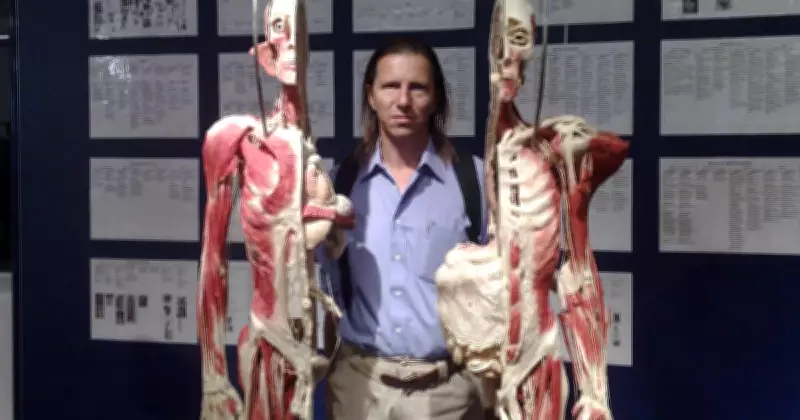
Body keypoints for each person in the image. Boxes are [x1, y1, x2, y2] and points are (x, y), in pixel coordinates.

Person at [317, 37, 490, 419]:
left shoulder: (474, 182)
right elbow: (323, 283)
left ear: (436, 97)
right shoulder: (340, 184)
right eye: (391, 86)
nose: (403, 100)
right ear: (371, 95)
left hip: (450, 394)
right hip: (359, 390)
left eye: (418, 88)